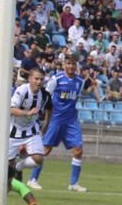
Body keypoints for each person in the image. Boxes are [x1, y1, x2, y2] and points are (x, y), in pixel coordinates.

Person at [29, 56, 101, 192]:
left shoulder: (80, 81)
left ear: (76, 65)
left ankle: (73, 184)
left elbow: (76, 97)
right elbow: (47, 97)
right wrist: (46, 119)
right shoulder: (56, 79)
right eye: (68, 63)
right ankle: (33, 179)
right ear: (64, 65)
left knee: (78, 149)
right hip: (56, 119)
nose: (71, 66)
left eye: (73, 63)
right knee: (45, 150)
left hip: (71, 120)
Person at [9, 69, 51, 181]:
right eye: (36, 79)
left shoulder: (45, 95)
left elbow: (50, 108)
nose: (39, 82)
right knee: (8, 166)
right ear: (29, 79)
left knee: (38, 159)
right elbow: (11, 109)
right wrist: (27, 113)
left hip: (31, 130)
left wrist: (47, 123)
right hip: (13, 131)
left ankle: (18, 167)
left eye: (41, 79)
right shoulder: (22, 91)